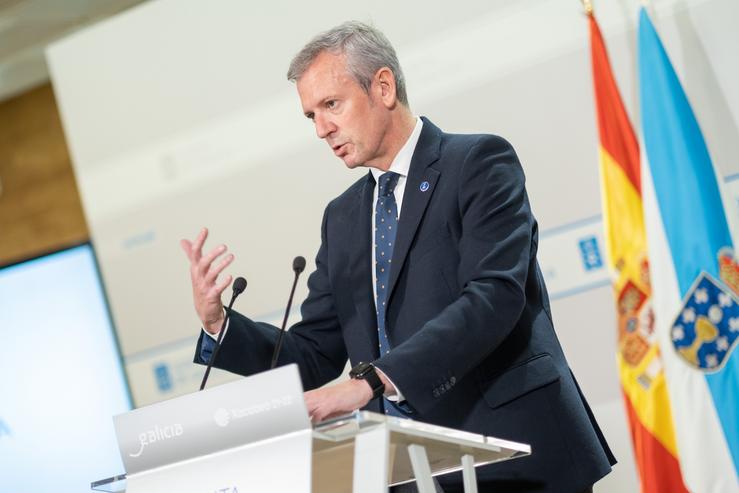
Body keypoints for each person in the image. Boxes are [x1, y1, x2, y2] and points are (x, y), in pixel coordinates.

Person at [181, 21, 615, 493]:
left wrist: (371, 381)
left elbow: (493, 298)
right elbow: (315, 354)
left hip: (514, 456)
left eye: (331, 105)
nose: (322, 129)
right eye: (311, 116)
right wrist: (219, 323)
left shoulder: (478, 163)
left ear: (383, 87)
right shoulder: (343, 217)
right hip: (409, 474)